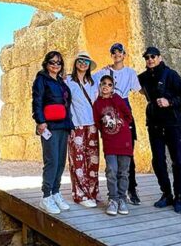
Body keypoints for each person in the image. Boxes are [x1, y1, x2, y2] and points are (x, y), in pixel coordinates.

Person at [138, 46, 181, 214]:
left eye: (153, 56)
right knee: (158, 161)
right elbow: (124, 80)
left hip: (172, 124)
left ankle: (179, 197)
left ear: (159, 58)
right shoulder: (143, 78)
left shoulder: (171, 75)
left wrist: (170, 102)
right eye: (147, 57)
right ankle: (166, 194)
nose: (150, 59)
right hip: (154, 124)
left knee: (178, 161)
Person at [93, 43, 142, 205]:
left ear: (124, 54)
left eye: (119, 51)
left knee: (128, 154)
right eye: (113, 52)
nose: (116, 54)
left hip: (123, 108)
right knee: (112, 157)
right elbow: (88, 79)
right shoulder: (105, 72)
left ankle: (131, 189)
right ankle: (115, 197)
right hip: (108, 111)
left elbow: (140, 89)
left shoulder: (130, 72)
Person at [32, 50, 73, 214]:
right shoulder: (41, 79)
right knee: (52, 161)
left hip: (63, 125)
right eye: (52, 62)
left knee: (61, 162)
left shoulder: (61, 82)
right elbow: (37, 100)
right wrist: (40, 121)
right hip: (49, 126)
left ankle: (56, 192)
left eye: (58, 62)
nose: (55, 65)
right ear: (46, 64)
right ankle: (46, 195)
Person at [93, 75, 133, 216]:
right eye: (104, 83)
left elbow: (129, 116)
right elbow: (98, 123)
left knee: (123, 172)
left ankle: (122, 199)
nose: (106, 86)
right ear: (100, 85)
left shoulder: (117, 99)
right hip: (110, 143)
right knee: (111, 171)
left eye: (110, 84)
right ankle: (113, 199)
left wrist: (122, 126)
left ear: (113, 87)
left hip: (124, 141)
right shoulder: (97, 104)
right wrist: (106, 132)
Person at [66, 52, 100, 208]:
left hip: (92, 124)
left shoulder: (93, 82)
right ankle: (80, 194)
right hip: (77, 124)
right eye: (80, 60)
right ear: (75, 63)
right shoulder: (67, 81)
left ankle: (93, 191)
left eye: (86, 61)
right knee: (77, 160)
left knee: (92, 160)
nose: (83, 63)